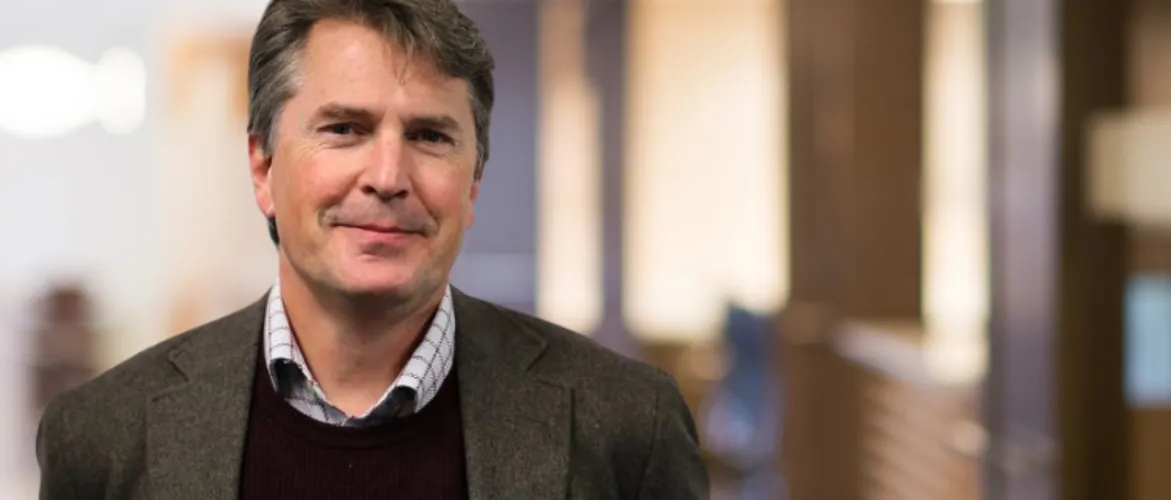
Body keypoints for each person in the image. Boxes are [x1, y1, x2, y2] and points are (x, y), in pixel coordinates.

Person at [34, 0, 708, 498]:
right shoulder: (106, 436)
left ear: (473, 184)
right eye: (345, 128)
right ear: (264, 168)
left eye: (430, 137)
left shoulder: (627, 426)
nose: (388, 177)